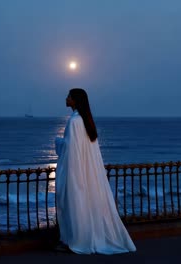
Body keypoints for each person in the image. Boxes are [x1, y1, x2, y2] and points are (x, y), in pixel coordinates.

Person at [54, 88, 136, 254]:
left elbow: (70, 149)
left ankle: (75, 240)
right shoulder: (84, 120)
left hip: (75, 171)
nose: (66, 98)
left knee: (73, 204)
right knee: (82, 203)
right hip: (84, 170)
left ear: (75, 100)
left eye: (69, 96)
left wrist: (57, 141)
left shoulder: (74, 121)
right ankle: (79, 237)